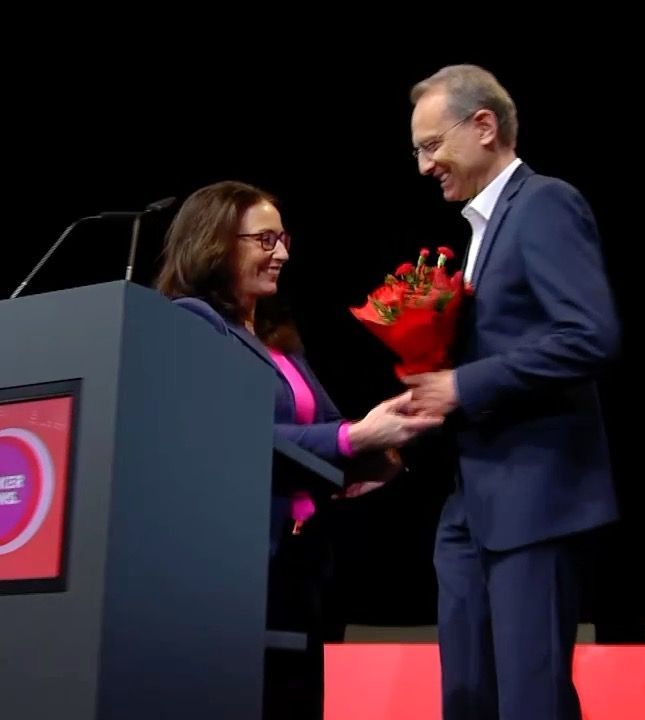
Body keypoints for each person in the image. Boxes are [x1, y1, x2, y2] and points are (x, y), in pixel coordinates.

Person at [154, 180, 441, 719]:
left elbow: (331, 426)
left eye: (282, 238)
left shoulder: (279, 337)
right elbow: (228, 436)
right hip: (238, 566)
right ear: (215, 242)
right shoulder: (193, 323)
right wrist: (352, 438)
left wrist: (387, 440)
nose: (282, 253)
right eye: (265, 240)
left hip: (302, 562)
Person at [403, 65, 621, 720]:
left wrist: (463, 384)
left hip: (534, 499)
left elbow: (590, 334)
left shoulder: (545, 203)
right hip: (473, 503)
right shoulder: (480, 230)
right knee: (468, 695)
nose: (423, 165)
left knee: (530, 699)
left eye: (432, 144)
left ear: (484, 126)